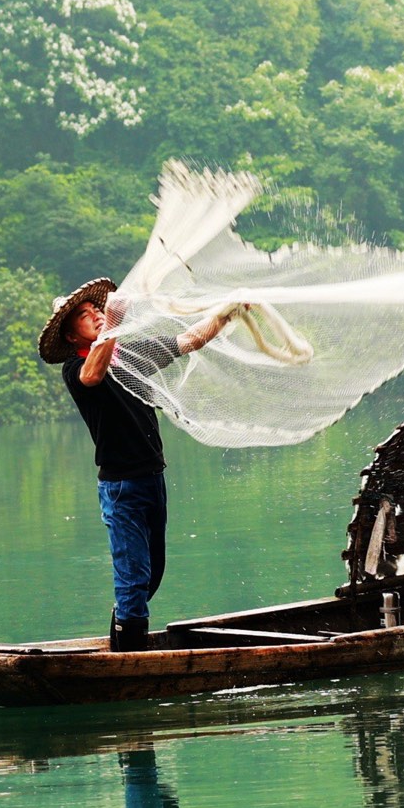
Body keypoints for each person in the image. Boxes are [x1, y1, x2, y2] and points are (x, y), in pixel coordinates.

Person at [39, 278, 241, 650]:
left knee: (151, 575)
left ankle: (122, 638)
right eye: (86, 316)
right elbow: (93, 375)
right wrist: (114, 324)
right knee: (134, 578)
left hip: (152, 479)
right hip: (122, 487)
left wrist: (226, 313)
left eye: (98, 310)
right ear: (72, 337)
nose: (97, 317)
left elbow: (189, 340)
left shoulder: (128, 355)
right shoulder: (77, 368)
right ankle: (131, 653)